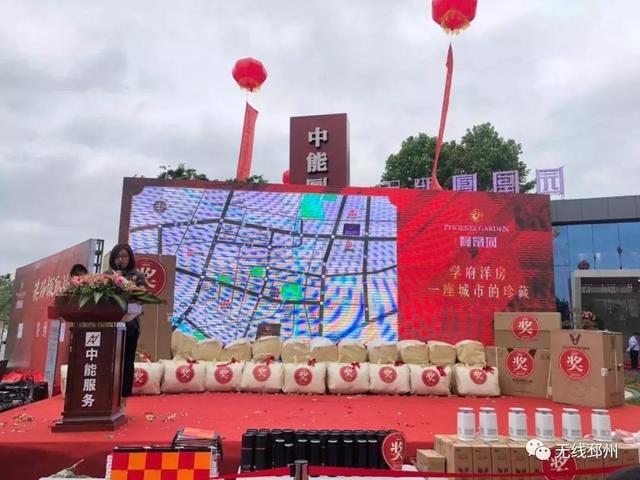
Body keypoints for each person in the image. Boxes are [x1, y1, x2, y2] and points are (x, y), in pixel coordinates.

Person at [107, 244, 148, 398]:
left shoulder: (137, 276)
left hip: (130, 326)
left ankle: (125, 394)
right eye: (117, 257)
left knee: (127, 360)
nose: (121, 259)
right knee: (109, 359)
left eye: (124, 256)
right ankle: (107, 391)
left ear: (130, 258)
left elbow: (142, 299)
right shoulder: (107, 276)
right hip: (109, 325)